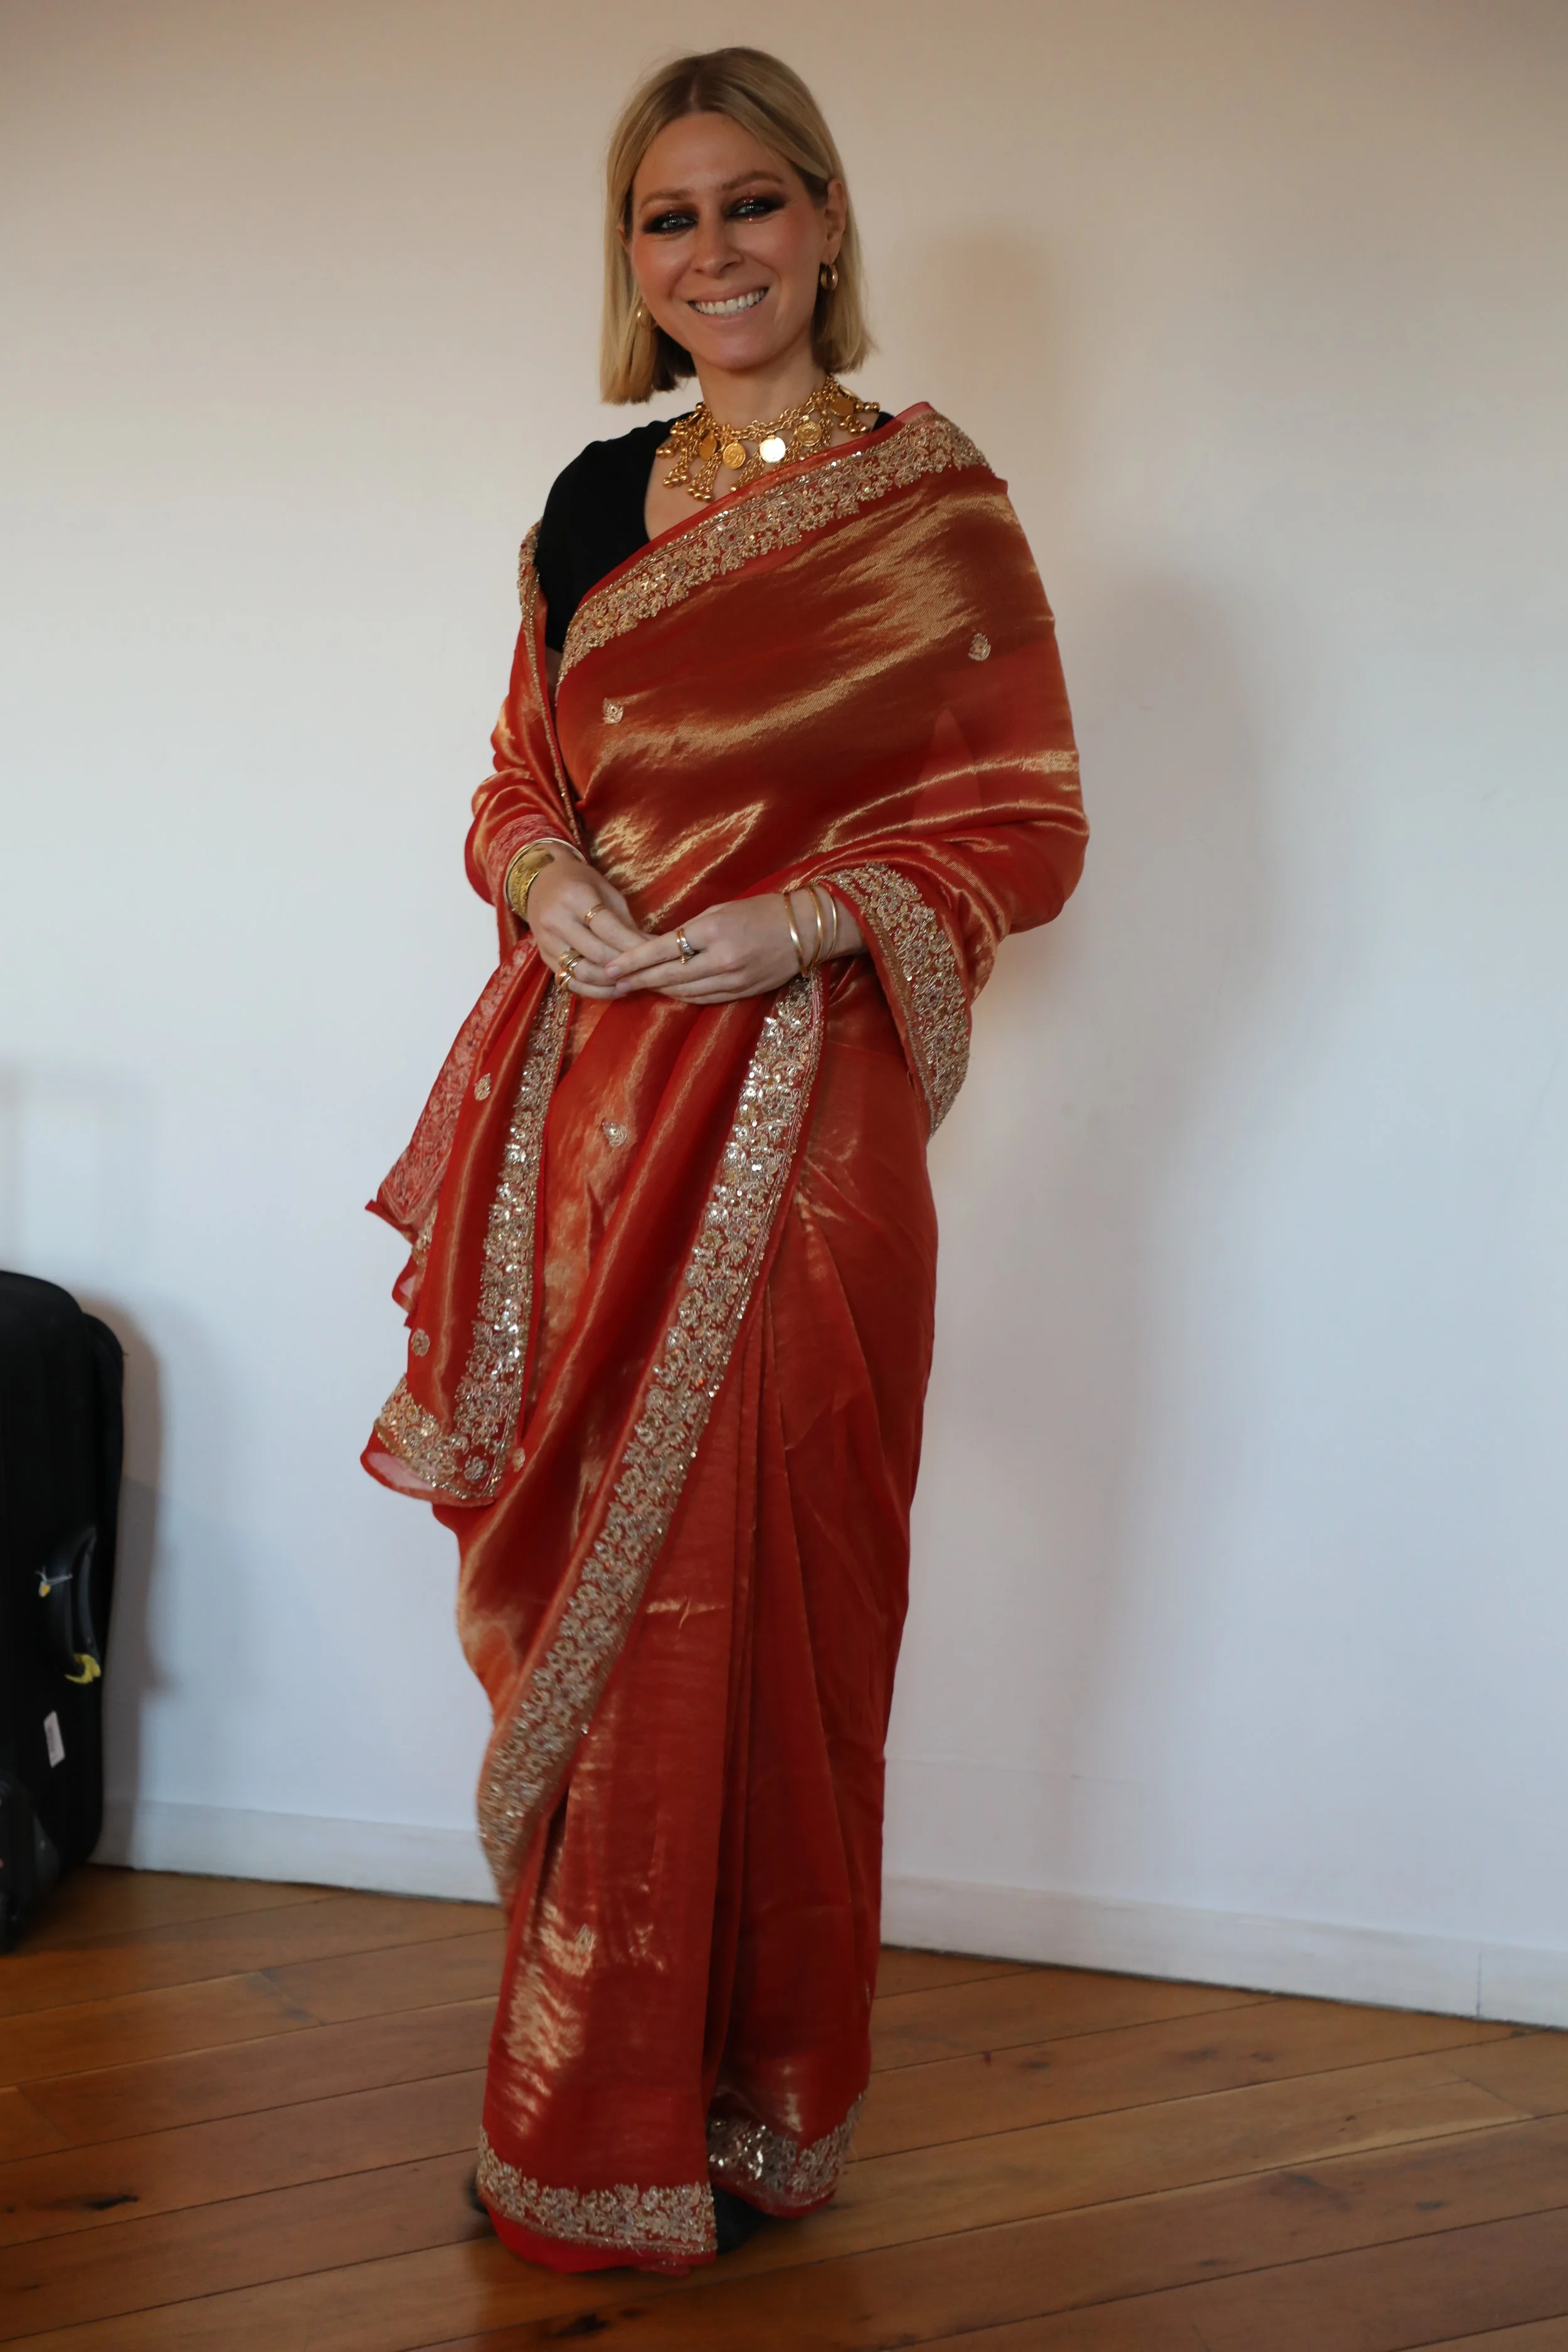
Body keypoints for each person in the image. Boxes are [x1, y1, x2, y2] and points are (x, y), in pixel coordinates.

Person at [362, 44, 1087, 2277]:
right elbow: (515, 774)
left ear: (829, 222)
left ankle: (752, 2104)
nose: (715, 255)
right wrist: (534, 876)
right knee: (599, 1596)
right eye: (669, 221)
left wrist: (814, 912)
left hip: (801, 1136)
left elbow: (1028, 823)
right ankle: (579, 2105)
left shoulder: (931, 511)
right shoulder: (588, 511)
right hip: (586, 1139)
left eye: (753, 206)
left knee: (766, 1595)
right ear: (633, 261)